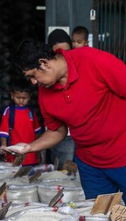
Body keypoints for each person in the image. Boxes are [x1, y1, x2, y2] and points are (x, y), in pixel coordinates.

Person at [11, 39, 126, 210]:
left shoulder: (91, 60)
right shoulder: (45, 93)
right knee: (100, 220)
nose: (33, 82)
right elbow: (57, 131)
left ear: (44, 63)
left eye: (32, 75)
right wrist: (29, 147)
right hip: (91, 163)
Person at [46, 29, 76, 169]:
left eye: (67, 51)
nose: (64, 56)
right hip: (64, 137)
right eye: (58, 53)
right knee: (63, 176)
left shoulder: (81, 67)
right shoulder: (47, 78)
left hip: (84, 135)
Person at [0, 78, 43, 166]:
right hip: (14, 156)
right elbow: (3, 133)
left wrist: (38, 153)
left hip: (31, 155)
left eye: (24, 98)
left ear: (29, 96)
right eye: (18, 98)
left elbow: (37, 133)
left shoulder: (31, 111)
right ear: (12, 95)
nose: (21, 101)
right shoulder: (8, 111)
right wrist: (3, 146)